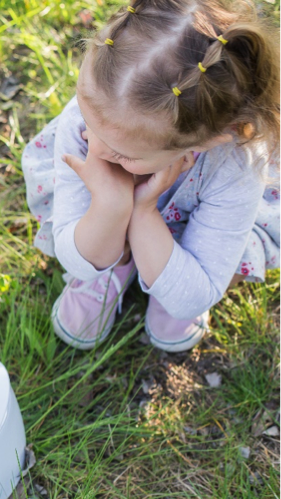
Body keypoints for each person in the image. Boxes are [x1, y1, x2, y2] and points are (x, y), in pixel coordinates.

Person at [23, 0, 281, 352]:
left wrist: (143, 213)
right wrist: (111, 205)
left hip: (191, 233)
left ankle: (165, 268)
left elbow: (196, 296)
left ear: (204, 142)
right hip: (100, 217)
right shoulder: (93, 120)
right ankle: (118, 261)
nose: (93, 149)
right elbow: (72, 253)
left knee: (188, 291)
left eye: (124, 154)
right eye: (87, 118)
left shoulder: (236, 164)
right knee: (90, 256)